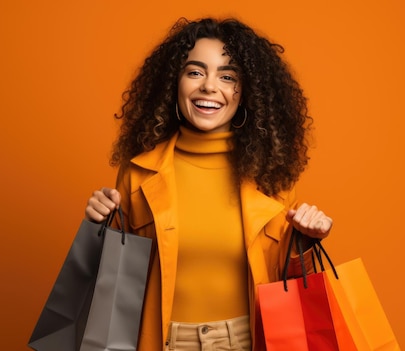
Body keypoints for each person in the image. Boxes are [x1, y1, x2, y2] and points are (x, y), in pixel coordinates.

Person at [84, 17, 333, 351]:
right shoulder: (138, 173)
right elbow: (116, 286)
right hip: (161, 342)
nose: (209, 87)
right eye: (195, 72)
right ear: (175, 82)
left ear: (245, 92)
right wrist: (97, 228)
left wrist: (306, 242)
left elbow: (286, 282)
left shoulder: (272, 176)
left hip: (250, 341)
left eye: (227, 76)